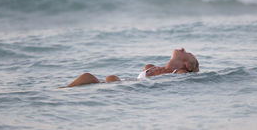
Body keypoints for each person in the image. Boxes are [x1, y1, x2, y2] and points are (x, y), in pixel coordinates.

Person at [65, 48, 199, 87]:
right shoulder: (150, 67)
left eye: (187, 53)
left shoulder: (179, 72)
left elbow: (186, 82)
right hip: (121, 84)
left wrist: (194, 71)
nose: (182, 49)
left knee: (92, 77)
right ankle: (63, 90)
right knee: (89, 77)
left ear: (186, 65)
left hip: (125, 89)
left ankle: (62, 91)